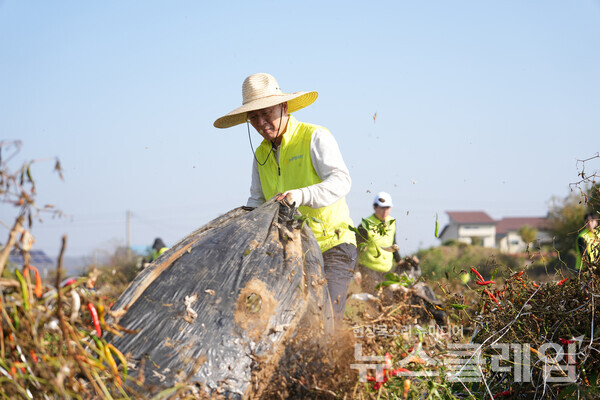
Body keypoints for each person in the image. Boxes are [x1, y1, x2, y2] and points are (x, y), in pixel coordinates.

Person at [214, 73, 357, 322]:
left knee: (326, 319)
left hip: (332, 244)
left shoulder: (314, 137)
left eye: (266, 113)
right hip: (292, 251)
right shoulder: (260, 154)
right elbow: (257, 201)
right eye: (253, 117)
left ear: (284, 107)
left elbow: (341, 181)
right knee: (290, 322)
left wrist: (301, 195)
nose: (261, 122)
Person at [355, 192, 401, 293]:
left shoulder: (392, 222)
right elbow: (356, 249)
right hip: (368, 269)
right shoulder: (365, 225)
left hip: (387, 270)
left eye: (387, 208)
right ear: (374, 207)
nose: (385, 211)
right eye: (382, 208)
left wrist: (400, 261)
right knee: (374, 299)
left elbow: (393, 243)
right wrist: (356, 271)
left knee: (388, 302)